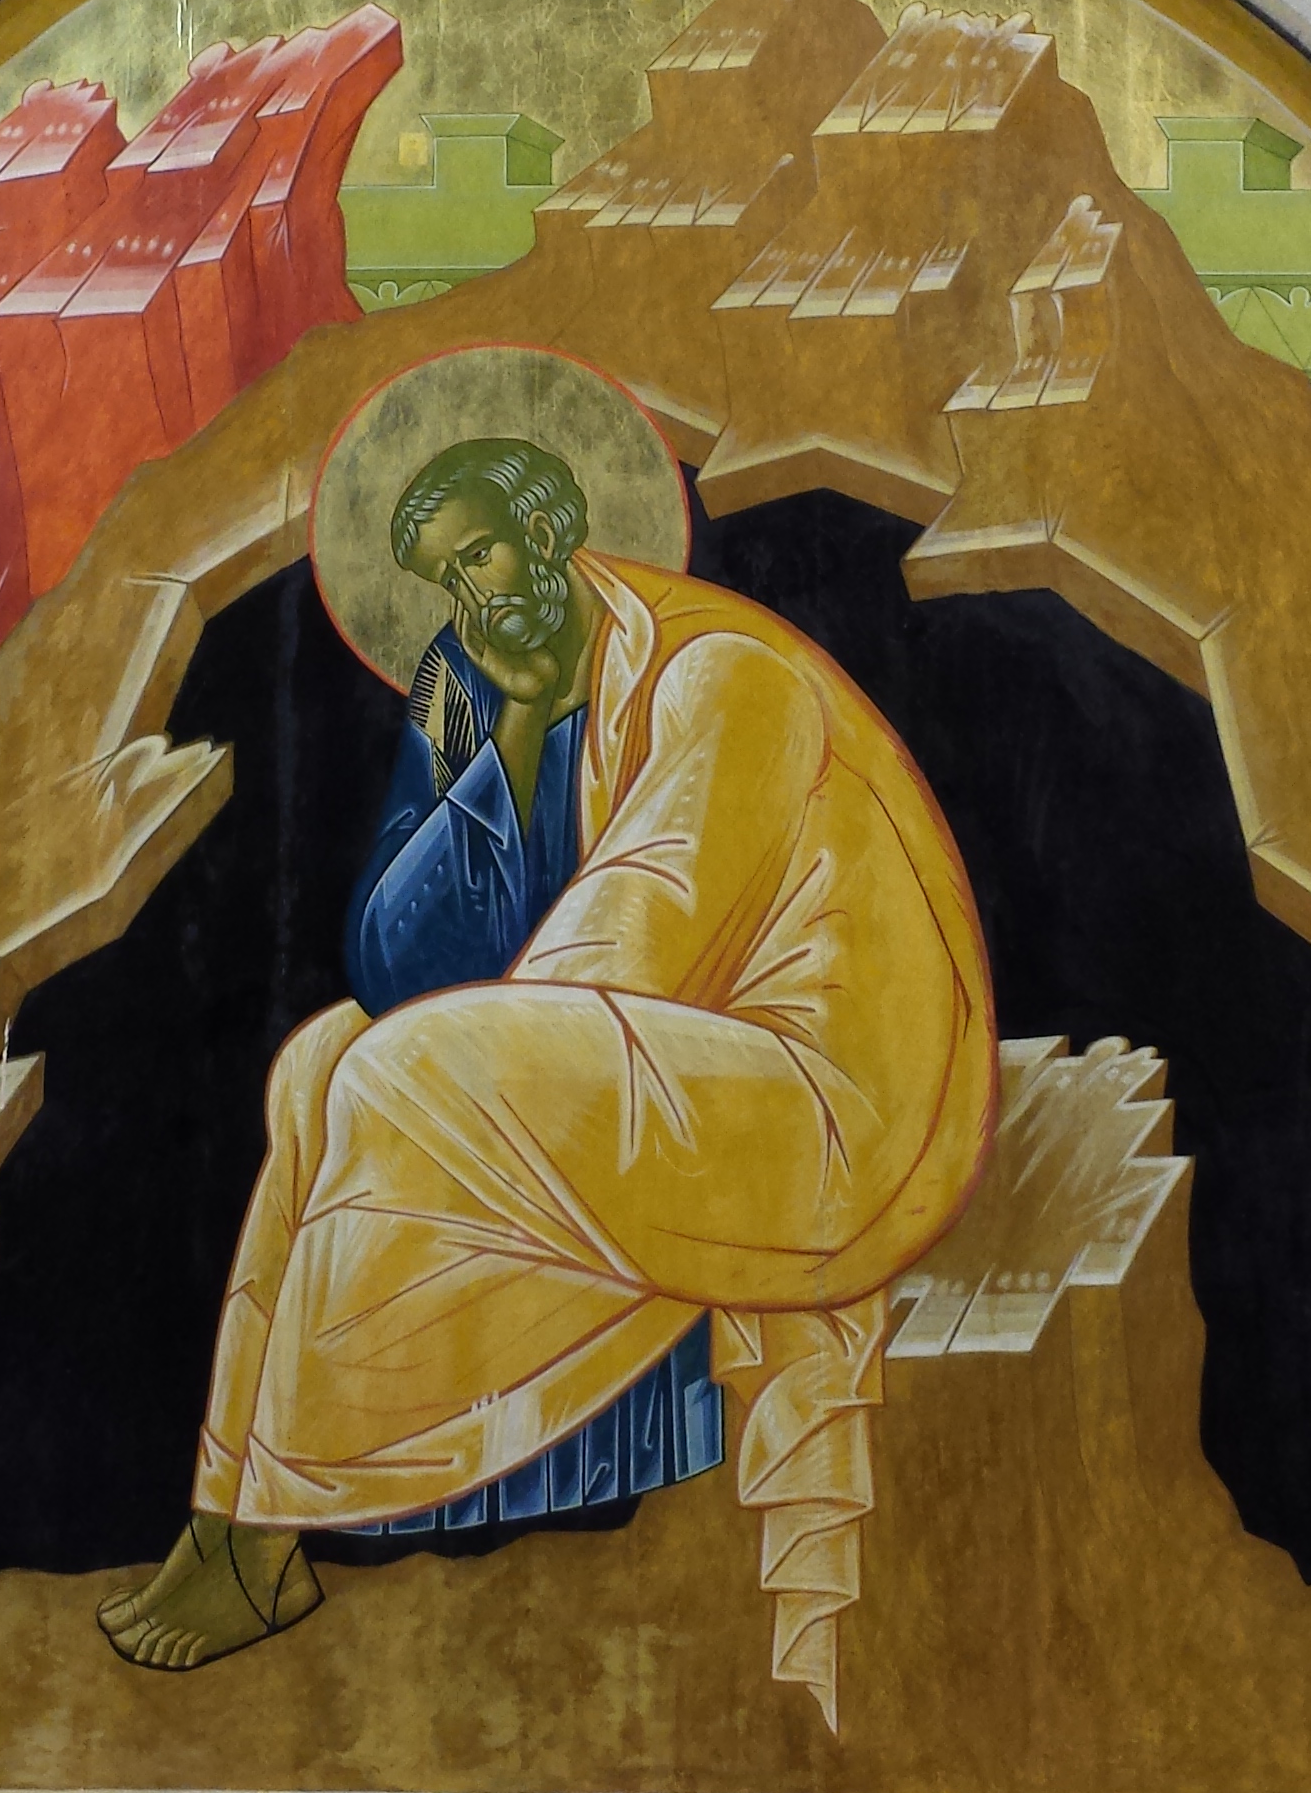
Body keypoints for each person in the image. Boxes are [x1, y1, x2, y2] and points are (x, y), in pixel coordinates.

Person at [99, 431, 996, 1722]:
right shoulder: (492, 692)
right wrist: (511, 741)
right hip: (691, 1068)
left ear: (553, 526)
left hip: (833, 1110)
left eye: (481, 554)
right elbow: (396, 955)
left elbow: (638, 935)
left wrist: (472, 1061)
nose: (470, 597)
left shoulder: (722, 676)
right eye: (447, 578)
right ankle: (232, 1518)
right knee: (319, 1066)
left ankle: (273, 1523)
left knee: (395, 1072)